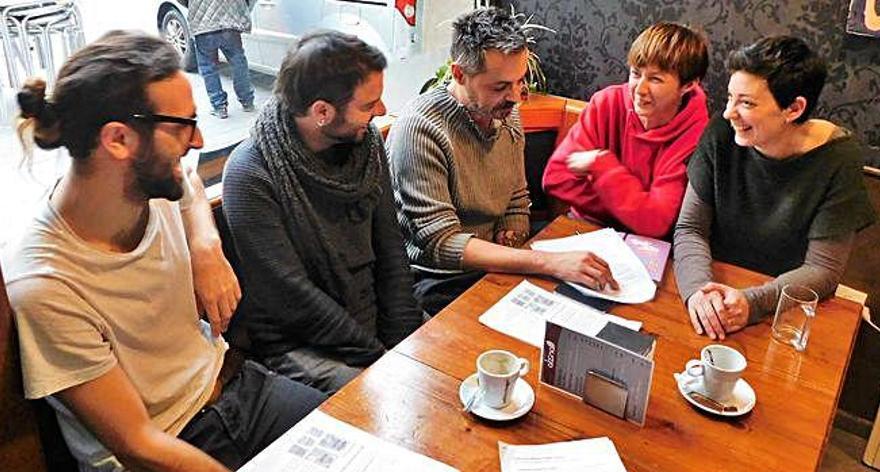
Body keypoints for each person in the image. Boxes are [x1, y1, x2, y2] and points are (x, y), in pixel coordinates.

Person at [4, 31, 325, 472]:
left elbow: (191, 183)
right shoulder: (45, 280)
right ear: (118, 139)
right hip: (154, 463)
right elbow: (138, 444)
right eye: (182, 126)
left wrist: (205, 245)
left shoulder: (155, 182)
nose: (197, 141)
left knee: (363, 443)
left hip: (235, 388)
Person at [222, 30, 423, 394]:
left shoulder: (367, 142)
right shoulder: (251, 172)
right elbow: (290, 296)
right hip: (300, 342)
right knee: (379, 397)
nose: (380, 111)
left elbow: (391, 249)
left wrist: (406, 341)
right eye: (368, 105)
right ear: (322, 112)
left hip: (371, 318)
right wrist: (381, 358)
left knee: (438, 365)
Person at [386, 7, 618, 315]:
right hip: (437, 279)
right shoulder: (421, 128)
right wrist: (548, 263)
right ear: (459, 74)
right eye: (500, 86)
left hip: (496, 264)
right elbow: (441, 244)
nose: (516, 97)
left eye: (519, 82)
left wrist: (514, 229)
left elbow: (517, 197)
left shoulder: (504, 111)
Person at [673, 36, 876, 340]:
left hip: (781, 309)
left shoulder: (838, 158)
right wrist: (699, 292)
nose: (729, 112)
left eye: (746, 103)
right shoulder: (721, 132)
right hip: (712, 287)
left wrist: (753, 302)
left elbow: (823, 269)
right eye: (730, 97)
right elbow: (690, 227)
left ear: (793, 108)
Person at [542, 22, 709, 239]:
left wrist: (601, 165)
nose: (640, 90)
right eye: (636, 73)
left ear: (688, 85)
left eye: (655, 79)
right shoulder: (606, 103)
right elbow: (555, 178)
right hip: (587, 228)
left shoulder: (697, 134)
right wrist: (636, 205)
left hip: (649, 244)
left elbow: (656, 223)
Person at [188, 0, 256, 119]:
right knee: (238, 62)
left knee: (208, 67)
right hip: (229, 21)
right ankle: (247, 101)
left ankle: (219, 107)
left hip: (203, 25)